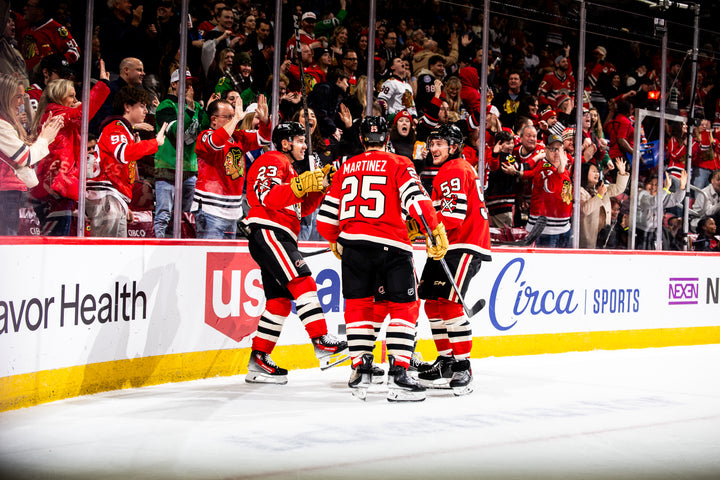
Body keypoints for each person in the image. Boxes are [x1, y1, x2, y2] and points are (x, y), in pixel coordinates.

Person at [316, 116, 448, 402]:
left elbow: (325, 219)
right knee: (405, 307)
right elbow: (416, 200)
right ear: (385, 138)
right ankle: (399, 375)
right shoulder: (400, 162)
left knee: (359, 309)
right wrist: (433, 227)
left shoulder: (346, 167)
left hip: (353, 248)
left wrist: (335, 238)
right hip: (392, 246)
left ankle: (360, 370)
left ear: (362, 139)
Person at [243, 121, 348, 384]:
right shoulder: (273, 158)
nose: (305, 145)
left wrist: (319, 187)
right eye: (300, 140)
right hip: (270, 231)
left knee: (278, 301)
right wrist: (300, 185)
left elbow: (301, 207)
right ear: (286, 142)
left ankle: (259, 360)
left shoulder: (288, 167)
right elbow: (267, 196)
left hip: (279, 233)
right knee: (302, 281)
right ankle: (322, 341)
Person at [416, 124, 491, 395]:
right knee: (433, 306)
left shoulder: (454, 169)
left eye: (440, 144)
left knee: (448, 305)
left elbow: (454, 216)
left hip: (462, 243)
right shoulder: (451, 170)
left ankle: (462, 366)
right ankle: (446, 361)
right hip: (447, 243)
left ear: (453, 147)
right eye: (431, 143)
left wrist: (421, 225)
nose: (434, 148)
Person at [29, 70, 110, 236]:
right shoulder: (58, 116)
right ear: (59, 97)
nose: (76, 100)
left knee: (54, 240)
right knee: (54, 242)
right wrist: (102, 84)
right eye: (72, 96)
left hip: (54, 187)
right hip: (56, 187)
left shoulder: (54, 115)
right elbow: (82, 115)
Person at [86, 86, 167, 237]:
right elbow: (123, 153)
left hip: (114, 197)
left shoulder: (124, 130)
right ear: (127, 107)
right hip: (106, 196)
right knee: (108, 251)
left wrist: (123, 204)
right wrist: (154, 143)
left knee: (117, 251)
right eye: (142, 106)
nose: (145, 111)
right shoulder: (114, 127)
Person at [193, 96, 270, 239]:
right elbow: (216, 143)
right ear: (213, 119)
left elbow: (264, 139)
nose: (233, 119)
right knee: (210, 257)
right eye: (227, 117)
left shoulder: (238, 137)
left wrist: (265, 121)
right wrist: (235, 120)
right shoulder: (204, 136)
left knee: (225, 259)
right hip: (210, 211)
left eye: (233, 116)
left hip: (233, 212)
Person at [0, 73, 63, 236]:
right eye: (18, 97)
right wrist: (44, 138)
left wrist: (44, 136)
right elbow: (25, 157)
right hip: (4, 194)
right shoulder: (1, 125)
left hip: (8, 192)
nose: (21, 102)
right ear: (5, 96)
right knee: (7, 245)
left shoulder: (5, 124)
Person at [153, 69, 210, 238]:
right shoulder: (166, 106)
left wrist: (205, 109)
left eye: (190, 84)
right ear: (173, 84)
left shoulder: (197, 107)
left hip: (190, 169)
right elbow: (178, 134)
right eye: (184, 83)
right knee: (163, 214)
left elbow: (204, 131)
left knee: (186, 216)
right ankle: (159, 245)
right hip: (167, 168)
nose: (188, 88)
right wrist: (190, 110)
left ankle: (182, 247)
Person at [527, 134, 573, 247]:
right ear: (546, 150)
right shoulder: (543, 167)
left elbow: (566, 195)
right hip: (546, 231)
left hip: (564, 227)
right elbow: (551, 188)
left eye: (559, 149)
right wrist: (561, 169)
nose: (557, 152)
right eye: (553, 149)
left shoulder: (562, 170)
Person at [579, 158, 629, 249]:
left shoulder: (602, 187)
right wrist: (599, 195)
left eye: (598, 172)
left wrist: (622, 172)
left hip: (603, 236)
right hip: (588, 238)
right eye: (593, 171)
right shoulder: (580, 191)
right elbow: (584, 210)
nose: (597, 174)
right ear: (584, 173)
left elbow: (619, 188)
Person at [20, 0, 81, 72]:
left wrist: (61, 62)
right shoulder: (25, 27)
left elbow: (75, 50)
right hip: (25, 77)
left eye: (29, 6)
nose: (24, 8)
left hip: (47, 79)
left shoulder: (55, 28)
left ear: (40, 11)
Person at [636, 171, 687, 250]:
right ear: (645, 184)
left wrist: (682, 187)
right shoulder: (641, 194)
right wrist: (666, 188)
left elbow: (675, 200)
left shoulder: (660, 197)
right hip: (640, 233)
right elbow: (653, 202)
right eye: (651, 184)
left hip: (654, 233)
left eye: (656, 185)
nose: (653, 187)